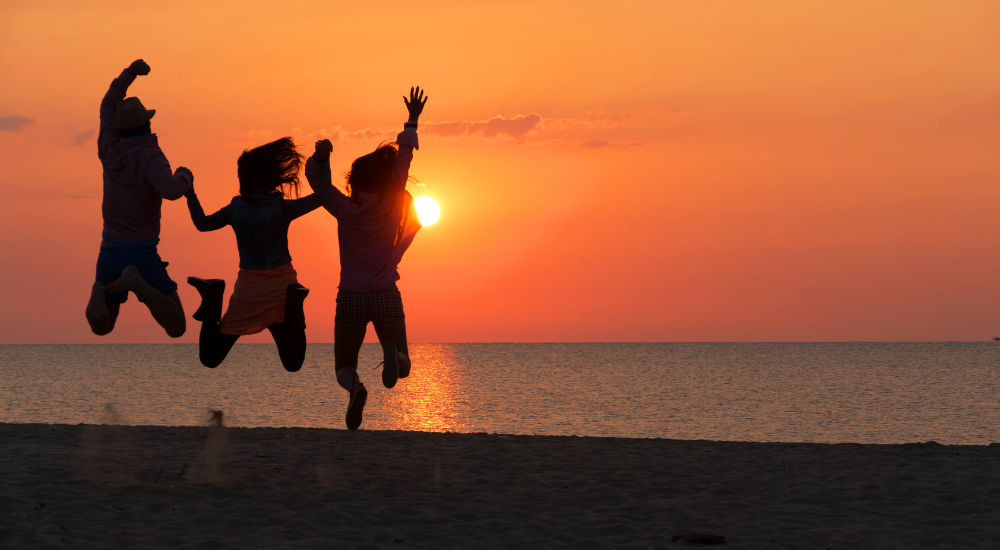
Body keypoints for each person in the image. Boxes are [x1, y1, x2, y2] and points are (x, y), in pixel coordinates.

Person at [305, 86, 428, 430]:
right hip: (386, 292)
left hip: (351, 296)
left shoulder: (344, 208)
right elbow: (405, 157)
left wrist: (320, 156)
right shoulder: (393, 203)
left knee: (344, 365)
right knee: (403, 367)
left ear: (354, 180)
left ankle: (357, 388)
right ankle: (393, 353)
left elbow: (317, 182)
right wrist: (412, 120)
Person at [184, 137, 327, 372]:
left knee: (210, 358)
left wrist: (190, 192)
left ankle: (212, 297)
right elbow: (323, 197)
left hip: (250, 288)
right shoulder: (280, 207)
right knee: (293, 363)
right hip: (281, 286)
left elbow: (202, 224)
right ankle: (295, 304)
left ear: (247, 179)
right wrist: (323, 162)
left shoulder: (237, 208)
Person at [86, 59, 193, 338]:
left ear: (120, 127)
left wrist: (130, 73)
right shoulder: (151, 157)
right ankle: (137, 283)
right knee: (177, 327)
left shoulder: (109, 147)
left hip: (109, 248)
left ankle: (98, 290)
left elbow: (108, 103)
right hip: (141, 251)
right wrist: (185, 176)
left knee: (103, 327)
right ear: (147, 124)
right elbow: (171, 191)